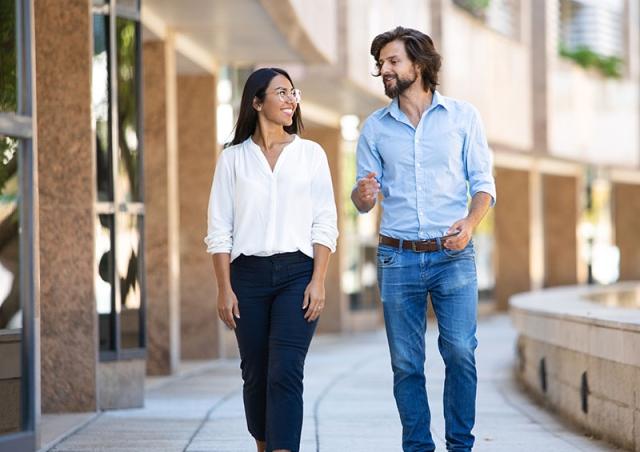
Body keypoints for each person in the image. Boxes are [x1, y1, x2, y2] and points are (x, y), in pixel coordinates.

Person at [351, 27, 496, 452]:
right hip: (397, 257)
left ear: (419, 64)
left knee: (459, 351)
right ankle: (417, 447)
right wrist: (361, 196)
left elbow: (483, 183)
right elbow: (362, 198)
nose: (384, 71)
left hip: (453, 255)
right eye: (381, 64)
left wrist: (470, 223)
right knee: (406, 363)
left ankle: (459, 446)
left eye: (393, 61)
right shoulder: (375, 128)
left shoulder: (463, 117)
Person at [205, 67, 338, 452]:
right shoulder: (232, 159)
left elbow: (325, 222)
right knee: (256, 374)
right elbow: (219, 229)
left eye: (293, 93)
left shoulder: (311, 155)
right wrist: (224, 288)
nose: (290, 99)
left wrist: (319, 279)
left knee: (285, 371)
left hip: (298, 274)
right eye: (281, 92)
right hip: (246, 277)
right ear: (257, 101)